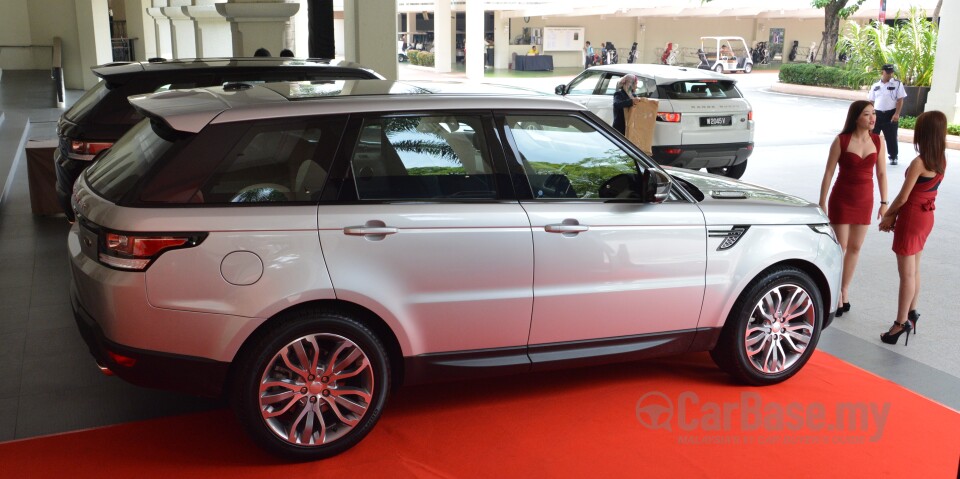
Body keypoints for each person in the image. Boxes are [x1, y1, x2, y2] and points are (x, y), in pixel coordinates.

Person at [877, 110, 947, 345]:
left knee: (906, 275)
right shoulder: (941, 160)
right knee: (915, 269)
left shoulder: (919, 162)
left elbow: (903, 197)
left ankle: (899, 324)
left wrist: (888, 216)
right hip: (926, 218)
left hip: (912, 217)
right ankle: (912, 313)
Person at [818, 100, 889, 317]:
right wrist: (822, 201)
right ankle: (835, 292)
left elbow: (882, 173)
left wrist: (884, 203)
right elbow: (829, 172)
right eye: (867, 114)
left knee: (856, 247)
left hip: (864, 199)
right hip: (841, 198)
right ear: (856, 117)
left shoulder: (878, 141)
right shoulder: (841, 140)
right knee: (841, 246)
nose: (872, 118)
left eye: (874, 114)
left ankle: (844, 289)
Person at [868, 64, 907, 165]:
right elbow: (871, 101)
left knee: (891, 136)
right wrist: (870, 115)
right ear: (883, 72)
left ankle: (893, 156)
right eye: (887, 72)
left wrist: (897, 114)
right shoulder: (875, 86)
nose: (890, 74)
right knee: (873, 135)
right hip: (877, 113)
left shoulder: (897, 84)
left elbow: (900, 100)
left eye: (891, 72)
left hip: (890, 113)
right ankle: (871, 155)